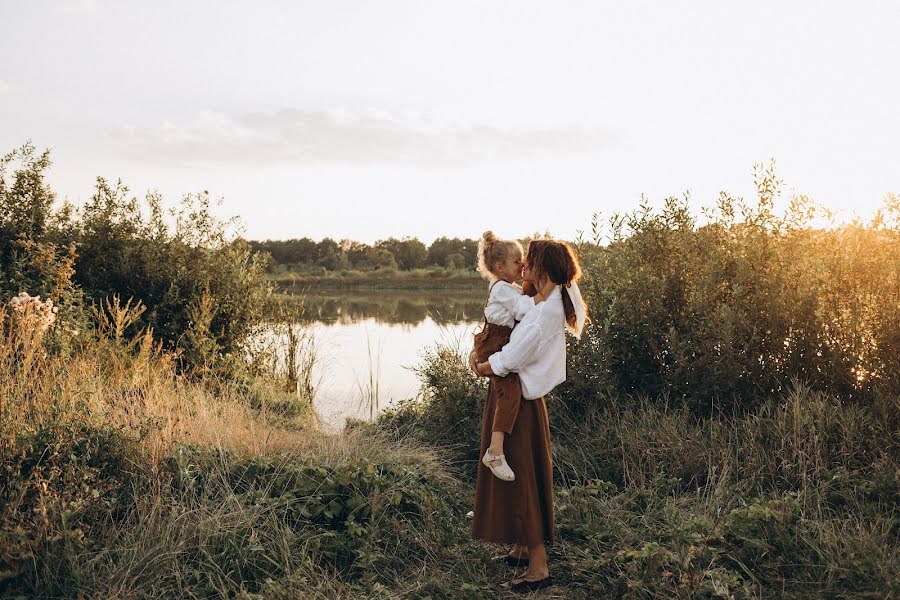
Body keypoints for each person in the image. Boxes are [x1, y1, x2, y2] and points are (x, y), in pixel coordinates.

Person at [469, 239, 587, 593]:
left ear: (543, 268)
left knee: (521, 481)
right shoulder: (540, 299)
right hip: (516, 398)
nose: (524, 267)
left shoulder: (542, 314)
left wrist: (481, 367)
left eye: (529, 261)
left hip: (519, 405)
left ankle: (538, 567)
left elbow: (512, 357)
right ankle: (522, 547)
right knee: (521, 475)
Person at [472, 231, 551, 482]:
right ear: (499, 266)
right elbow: (522, 310)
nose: (523, 264)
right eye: (517, 261)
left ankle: (496, 448)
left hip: (494, 341)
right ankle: (495, 451)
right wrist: (544, 295)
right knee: (510, 392)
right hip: (495, 342)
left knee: (507, 391)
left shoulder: (508, 287)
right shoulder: (503, 289)